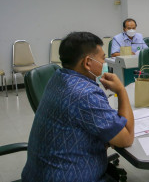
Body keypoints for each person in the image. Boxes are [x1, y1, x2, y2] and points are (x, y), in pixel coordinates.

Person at [22, 32, 134, 181]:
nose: (104, 62)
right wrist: (121, 90)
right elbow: (126, 138)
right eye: (102, 58)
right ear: (88, 62)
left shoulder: (58, 77)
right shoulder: (86, 94)